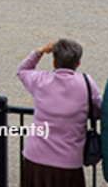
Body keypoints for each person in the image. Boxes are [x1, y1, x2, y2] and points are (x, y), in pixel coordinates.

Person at [17, 39, 100, 187]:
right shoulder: (86, 83)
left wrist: (40, 51)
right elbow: (97, 110)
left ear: (55, 63)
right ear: (78, 63)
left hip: (36, 158)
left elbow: (22, 70)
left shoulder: (41, 80)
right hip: (69, 162)